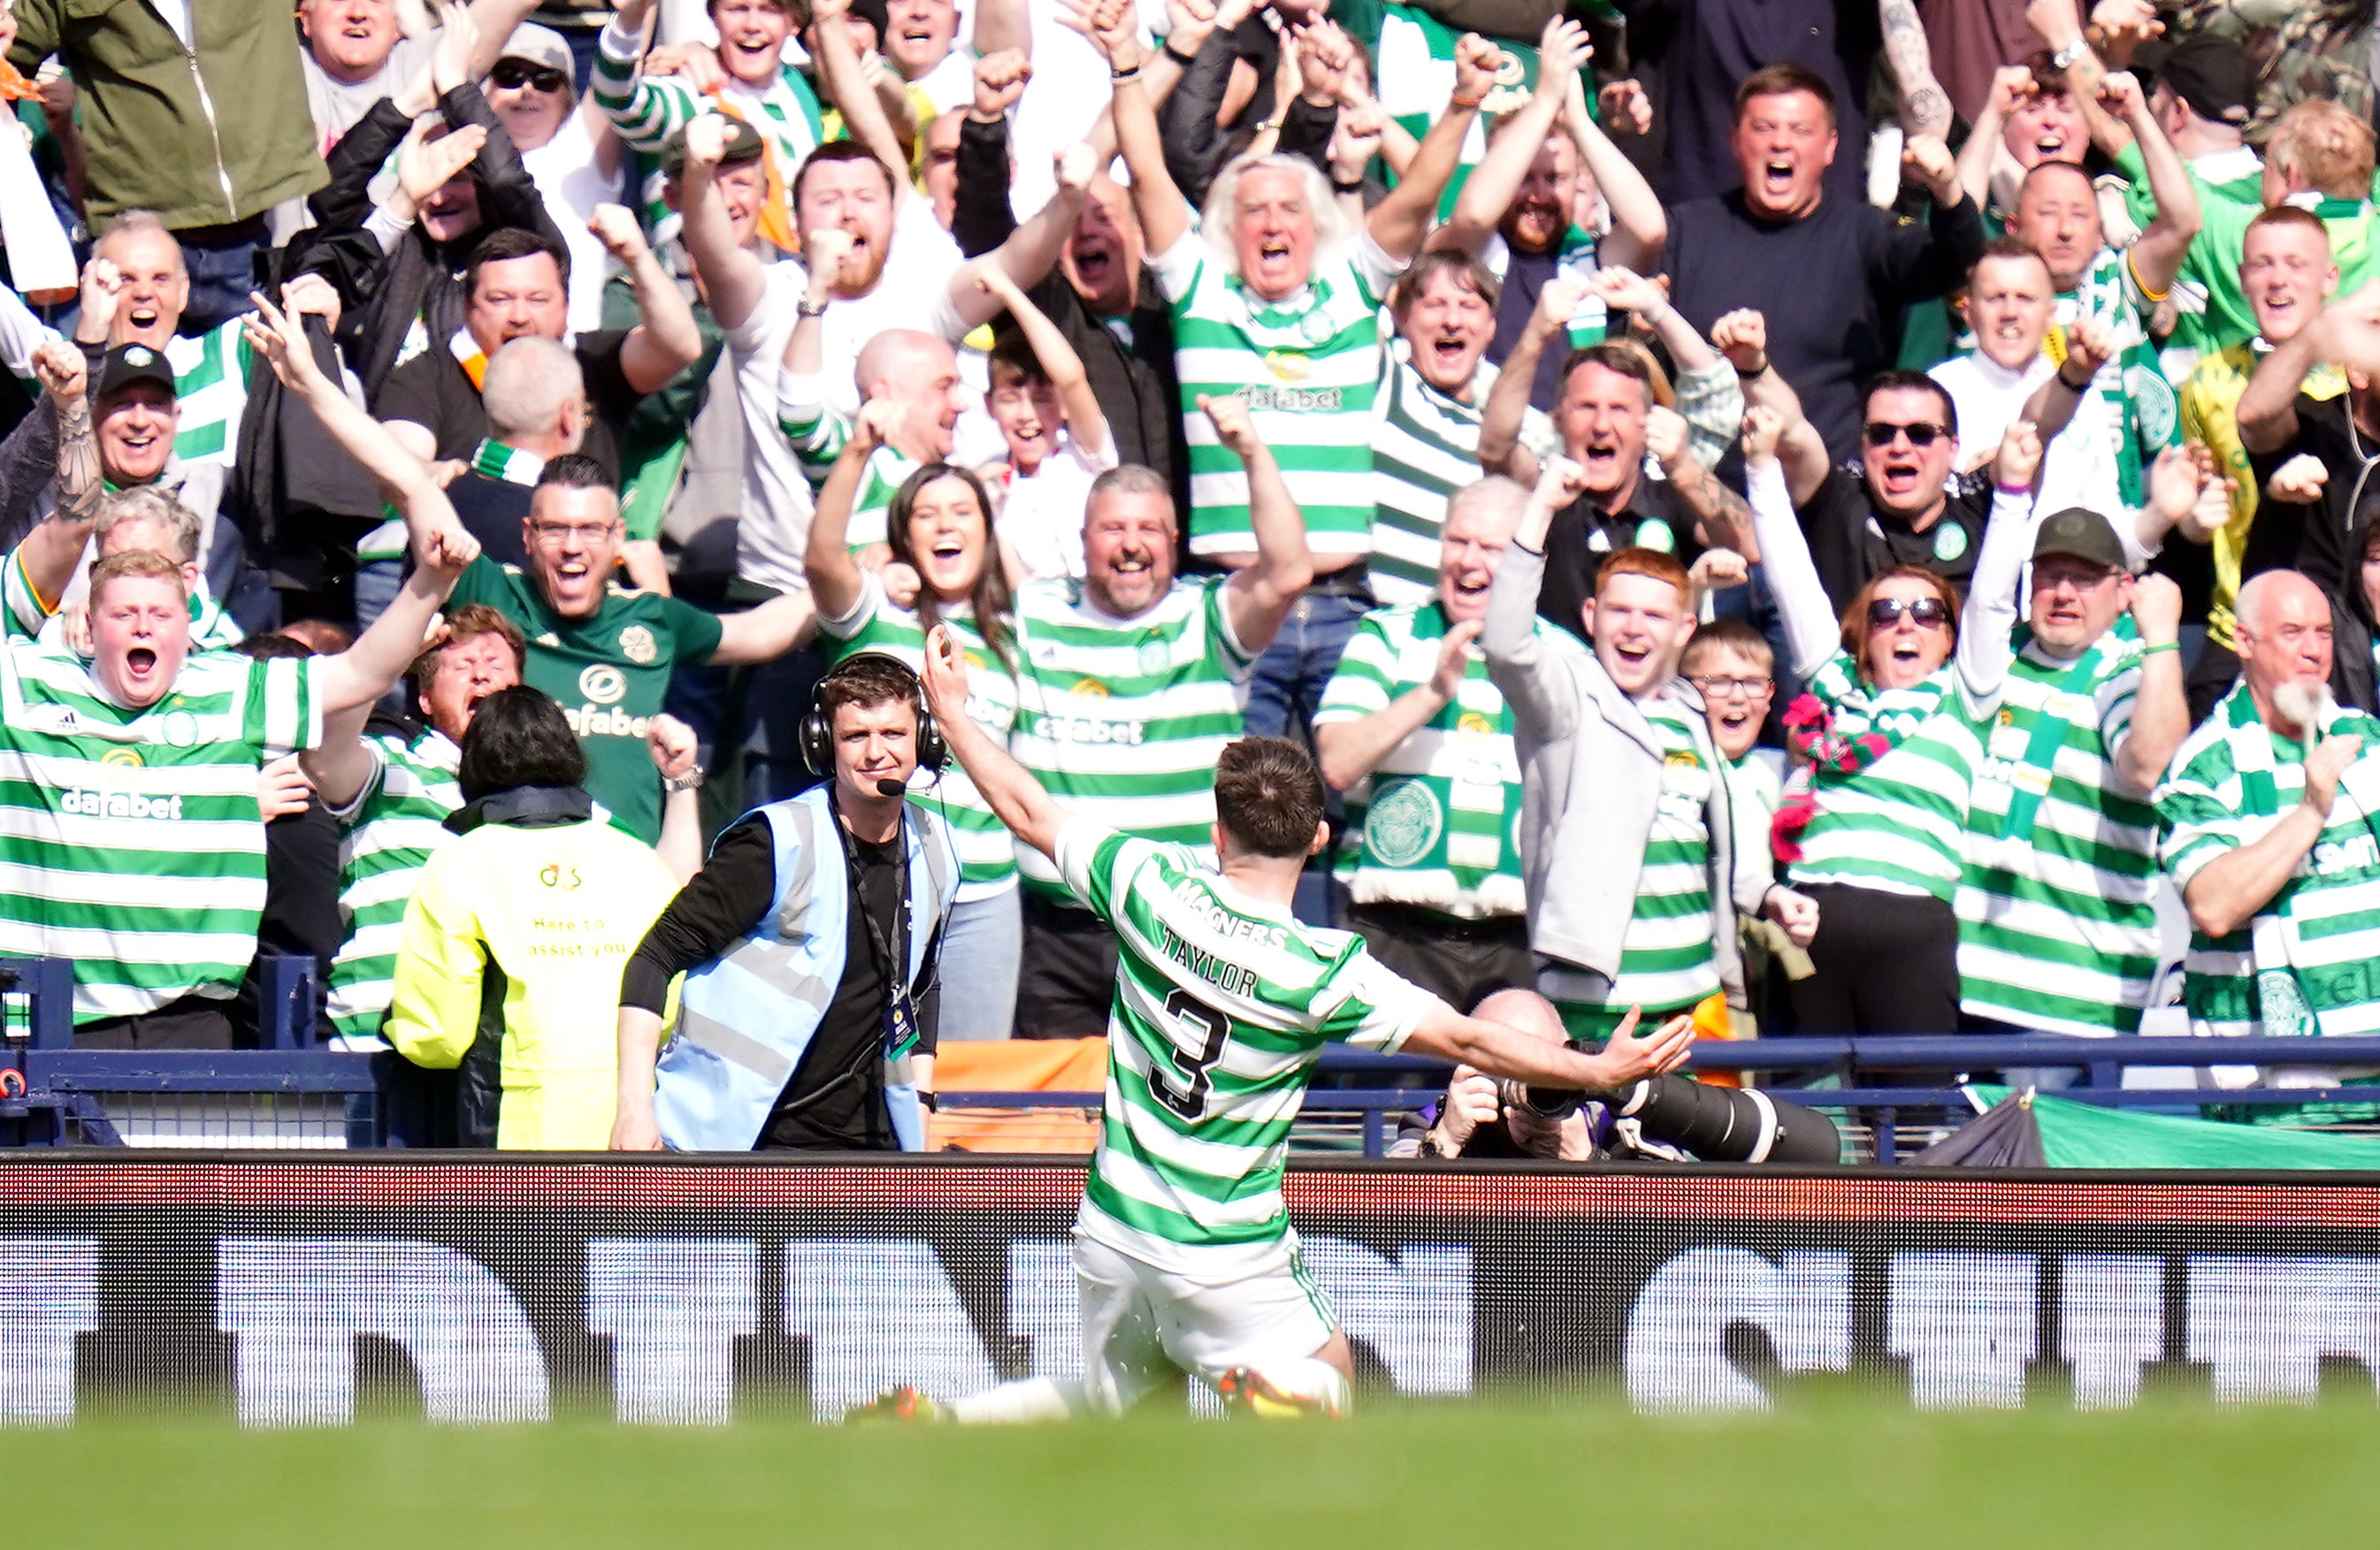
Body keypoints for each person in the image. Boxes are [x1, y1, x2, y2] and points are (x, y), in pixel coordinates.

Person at [874, 628, 1695, 1419]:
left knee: (1109, 1417)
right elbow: (1471, 1039)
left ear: (1216, 830)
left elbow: (1025, 808)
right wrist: (1597, 1072)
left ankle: (948, 1421)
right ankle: (1285, 1392)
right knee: (1328, 1375)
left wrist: (949, 713)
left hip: (1114, 1221)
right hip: (1225, 1244)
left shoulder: (1148, 880)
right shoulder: (1319, 969)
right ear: (1318, 837)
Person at [253, 291, 815, 845]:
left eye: (591, 531)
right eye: (555, 530)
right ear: (527, 536)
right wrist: (312, 383)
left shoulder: (650, 619)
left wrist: (858, 578)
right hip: (526, 888)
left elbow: (761, 631)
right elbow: (403, 477)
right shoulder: (494, 597)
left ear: (617, 537)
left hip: (631, 896)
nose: (573, 547)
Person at [1078, 0, 1483, 734]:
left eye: (1289, 209)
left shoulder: (1354, 287)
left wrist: (1461, 104)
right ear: (1227, 228)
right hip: (1236, 603)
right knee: (1244, 808)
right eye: (1253, 209)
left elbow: (1421, 192)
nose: (1271, 222)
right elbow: (1143, 167)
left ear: (1318, 225)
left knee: (1340, 807)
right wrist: (1125, 66)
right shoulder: (1201, 291)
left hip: (1345, 604)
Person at [0, 424, 482, 1041]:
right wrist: (69, 412)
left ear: (188, 622)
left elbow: (360, 673)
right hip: (47, 1024)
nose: (143, 626)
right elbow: (61, 529)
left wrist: (430, 584)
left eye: (160, 614)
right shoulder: (30, 683)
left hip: (186, 1023)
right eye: (124, 614)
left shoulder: (233, 689)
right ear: (90, 626)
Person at [1006, 401, 1311, 1042]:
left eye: (1148, 528)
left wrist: (1250, 450)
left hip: (1177, 930)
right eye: (1112, 528)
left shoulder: (1207, 615)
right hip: (1054, 932)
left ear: (1172, 541)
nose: (1131, 545)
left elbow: (1288, 571)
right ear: (1082, 540)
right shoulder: (1032, 610)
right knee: (1051, 1131)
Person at [1484, 454, 1810, 1047]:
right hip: (1594, 999)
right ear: (1591, 615)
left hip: (1691, 998)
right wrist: (1539, 510)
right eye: (1620, 610)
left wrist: (1768, 897)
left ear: (1684, 629)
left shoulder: (1690, 711)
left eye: (1654, 615)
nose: (1634, 628)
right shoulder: (1566, 698)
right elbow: (1506, 645)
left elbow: (1714, 845)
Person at [1742, 401, 2024, 1036]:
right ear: (1861, 634)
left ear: (1950, 637)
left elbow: (1993, 597)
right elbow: (1790, 579)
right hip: (1810, 923)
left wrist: (2010, 493)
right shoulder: (1834, 691)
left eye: (1927, 613)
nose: (1905, 623)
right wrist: (1760, 469)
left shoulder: (1965, 693)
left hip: (1913, 930)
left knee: (1917, 1117)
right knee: (1811, 1123)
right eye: (1886, 611)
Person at [614, 654, 962, 1152]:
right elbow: (653, 959)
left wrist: (921, 1116)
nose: (875, 752)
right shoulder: (774, 843)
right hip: (745, 1142)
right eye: (855, 736)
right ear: (823, 745)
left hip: (875, 1145)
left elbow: (921, 987)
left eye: (893, 734)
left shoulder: (936, 845)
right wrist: (634, 1109)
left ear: (924, 741)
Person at [385, 686, 683, 1148]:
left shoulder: (461, 862)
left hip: (517, 1129)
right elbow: (667, 1006)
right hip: (636, 1128)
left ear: (474, 766)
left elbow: (436, 1035)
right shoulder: (638, 858)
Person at [807, 408, 1023, 1042]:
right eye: (926, 515)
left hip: (986, 896)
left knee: (969, 1087)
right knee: (867, 1074)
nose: (946, 525)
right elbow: (821, 559)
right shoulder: (872, 610)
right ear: (904, 535)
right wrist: (856, 451)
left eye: (963, 512)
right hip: (878, 879)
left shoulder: (1012, 631)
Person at [1659, 63, 1983, 462]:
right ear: (1736, 141)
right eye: (1763, 128)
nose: (1781, 143)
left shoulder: (1866, 234)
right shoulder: (1686, 231)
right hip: (1706, 488)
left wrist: (1947, 189)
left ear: (1831, 147)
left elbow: (1958, 262)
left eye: (1800, 131)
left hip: (1829, 495)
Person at [1957, 496, 2192, 1042]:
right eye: (2050, 575)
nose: (2064, 593)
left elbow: (2151, 767)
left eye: (2085, 579)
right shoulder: (1996, 661)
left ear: (2123, 590)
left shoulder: (2124, 672)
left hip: (2070, 1004)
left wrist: (2161, 641)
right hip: (1963, 986)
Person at [2160, 569, 2380, 1118]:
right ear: (2244, 641)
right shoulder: (2205, 765)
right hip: (2277, 1099)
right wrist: (2311, 811)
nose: (2313, 652)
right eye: (2292, 633)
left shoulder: (2366, 740)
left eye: (2324, 634)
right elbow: (2213, 905)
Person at [1313, 477, 1539, 1010]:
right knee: (1388, 1096)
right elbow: (1337, 762)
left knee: (1512, 1096)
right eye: (1458, 542)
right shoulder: (1385, 635)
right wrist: (1432, 693)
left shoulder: (1557, 657)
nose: (1468, 561)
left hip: (1514, 941)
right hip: (1396, 933)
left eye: (1491, 548)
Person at [5, 0, 326, 332]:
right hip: (133, 252)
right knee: (124, 381)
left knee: (258, 380)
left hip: (254, 242)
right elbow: (10, 48)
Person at [1431, 19, 1661, 412]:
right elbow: (1472, 216)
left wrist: (1580, 124)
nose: (1539, 195)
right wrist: (1543, 101)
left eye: (1555, 178)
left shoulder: (1589, 260)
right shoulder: (1469, 251)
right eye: (1523, 178)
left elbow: (1650, 229)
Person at [2179, 205, 2347, 719]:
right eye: (2263, 264)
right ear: (2242, 277)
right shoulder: (2208, 380)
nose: (2278, 280)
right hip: (2239, 623)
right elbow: (2197, 516)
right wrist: (2191, 517)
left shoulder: (2359, 376)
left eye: (2296, 264)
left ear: (2329, 279)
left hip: (2339, 629)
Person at [375, 223, 700, 483]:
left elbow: (680, 346)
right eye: (499, 299)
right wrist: (433, 474)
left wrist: (638, 259)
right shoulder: (426, 374)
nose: (519, 316)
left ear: (566, 305)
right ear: (467, 306)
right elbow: (397, 459)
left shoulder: (595, 361)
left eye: (538, 299)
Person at [593, 0, 823, 256]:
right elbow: (619, 102)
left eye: (770, 10)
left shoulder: (796, 89)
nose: (752, 25)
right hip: (696, 282)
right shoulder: (692, 90)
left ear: (794, 22)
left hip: (789, 276)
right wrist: (630, 22)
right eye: (737, 9)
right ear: (714, 16)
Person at [975, 267, 1117, 585]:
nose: (1027, 415)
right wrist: (984, 509)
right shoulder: (990, 483)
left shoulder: (1085, 453)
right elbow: (1018, 590)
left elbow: (1070, 376)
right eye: (1010, 399)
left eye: (1041, 399)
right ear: (990, 406)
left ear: (1064, 405)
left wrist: (1010, 295)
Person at [1389, 989, 1594, 1160]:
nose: (1525, 1087)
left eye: (1544, 1071)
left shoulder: (1598, 1118)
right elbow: (1389, 1204)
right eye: (1504, 1067)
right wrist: (1446, 1140)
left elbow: (1625, 1204)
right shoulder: (1433, 1121)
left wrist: (1585, 1160)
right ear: (1470, 1066)